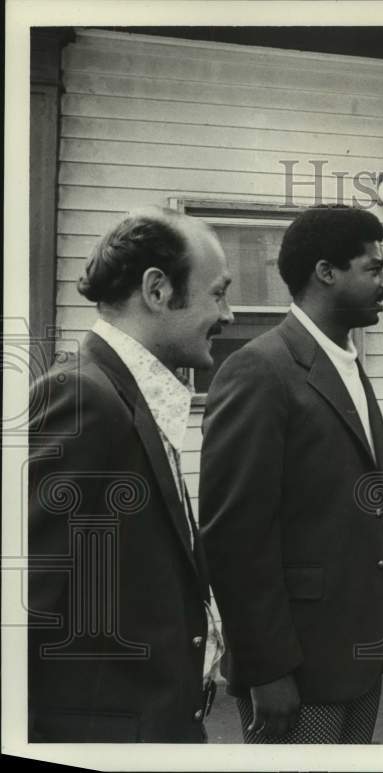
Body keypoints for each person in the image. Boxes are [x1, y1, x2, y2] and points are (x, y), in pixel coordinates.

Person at [199, 204, 383, 744]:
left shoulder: (346, 363)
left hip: (357, 655)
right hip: (297, 668)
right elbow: (234, 537)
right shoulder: (259, 368)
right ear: (325, 272)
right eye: (373, 268)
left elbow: (361, 506)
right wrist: (265, 669)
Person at [27, 207, 233, 741]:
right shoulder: (81, 398)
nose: (228, 314)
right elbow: (26, 609)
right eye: (218, 293)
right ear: (157, 290)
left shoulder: (127, 395)